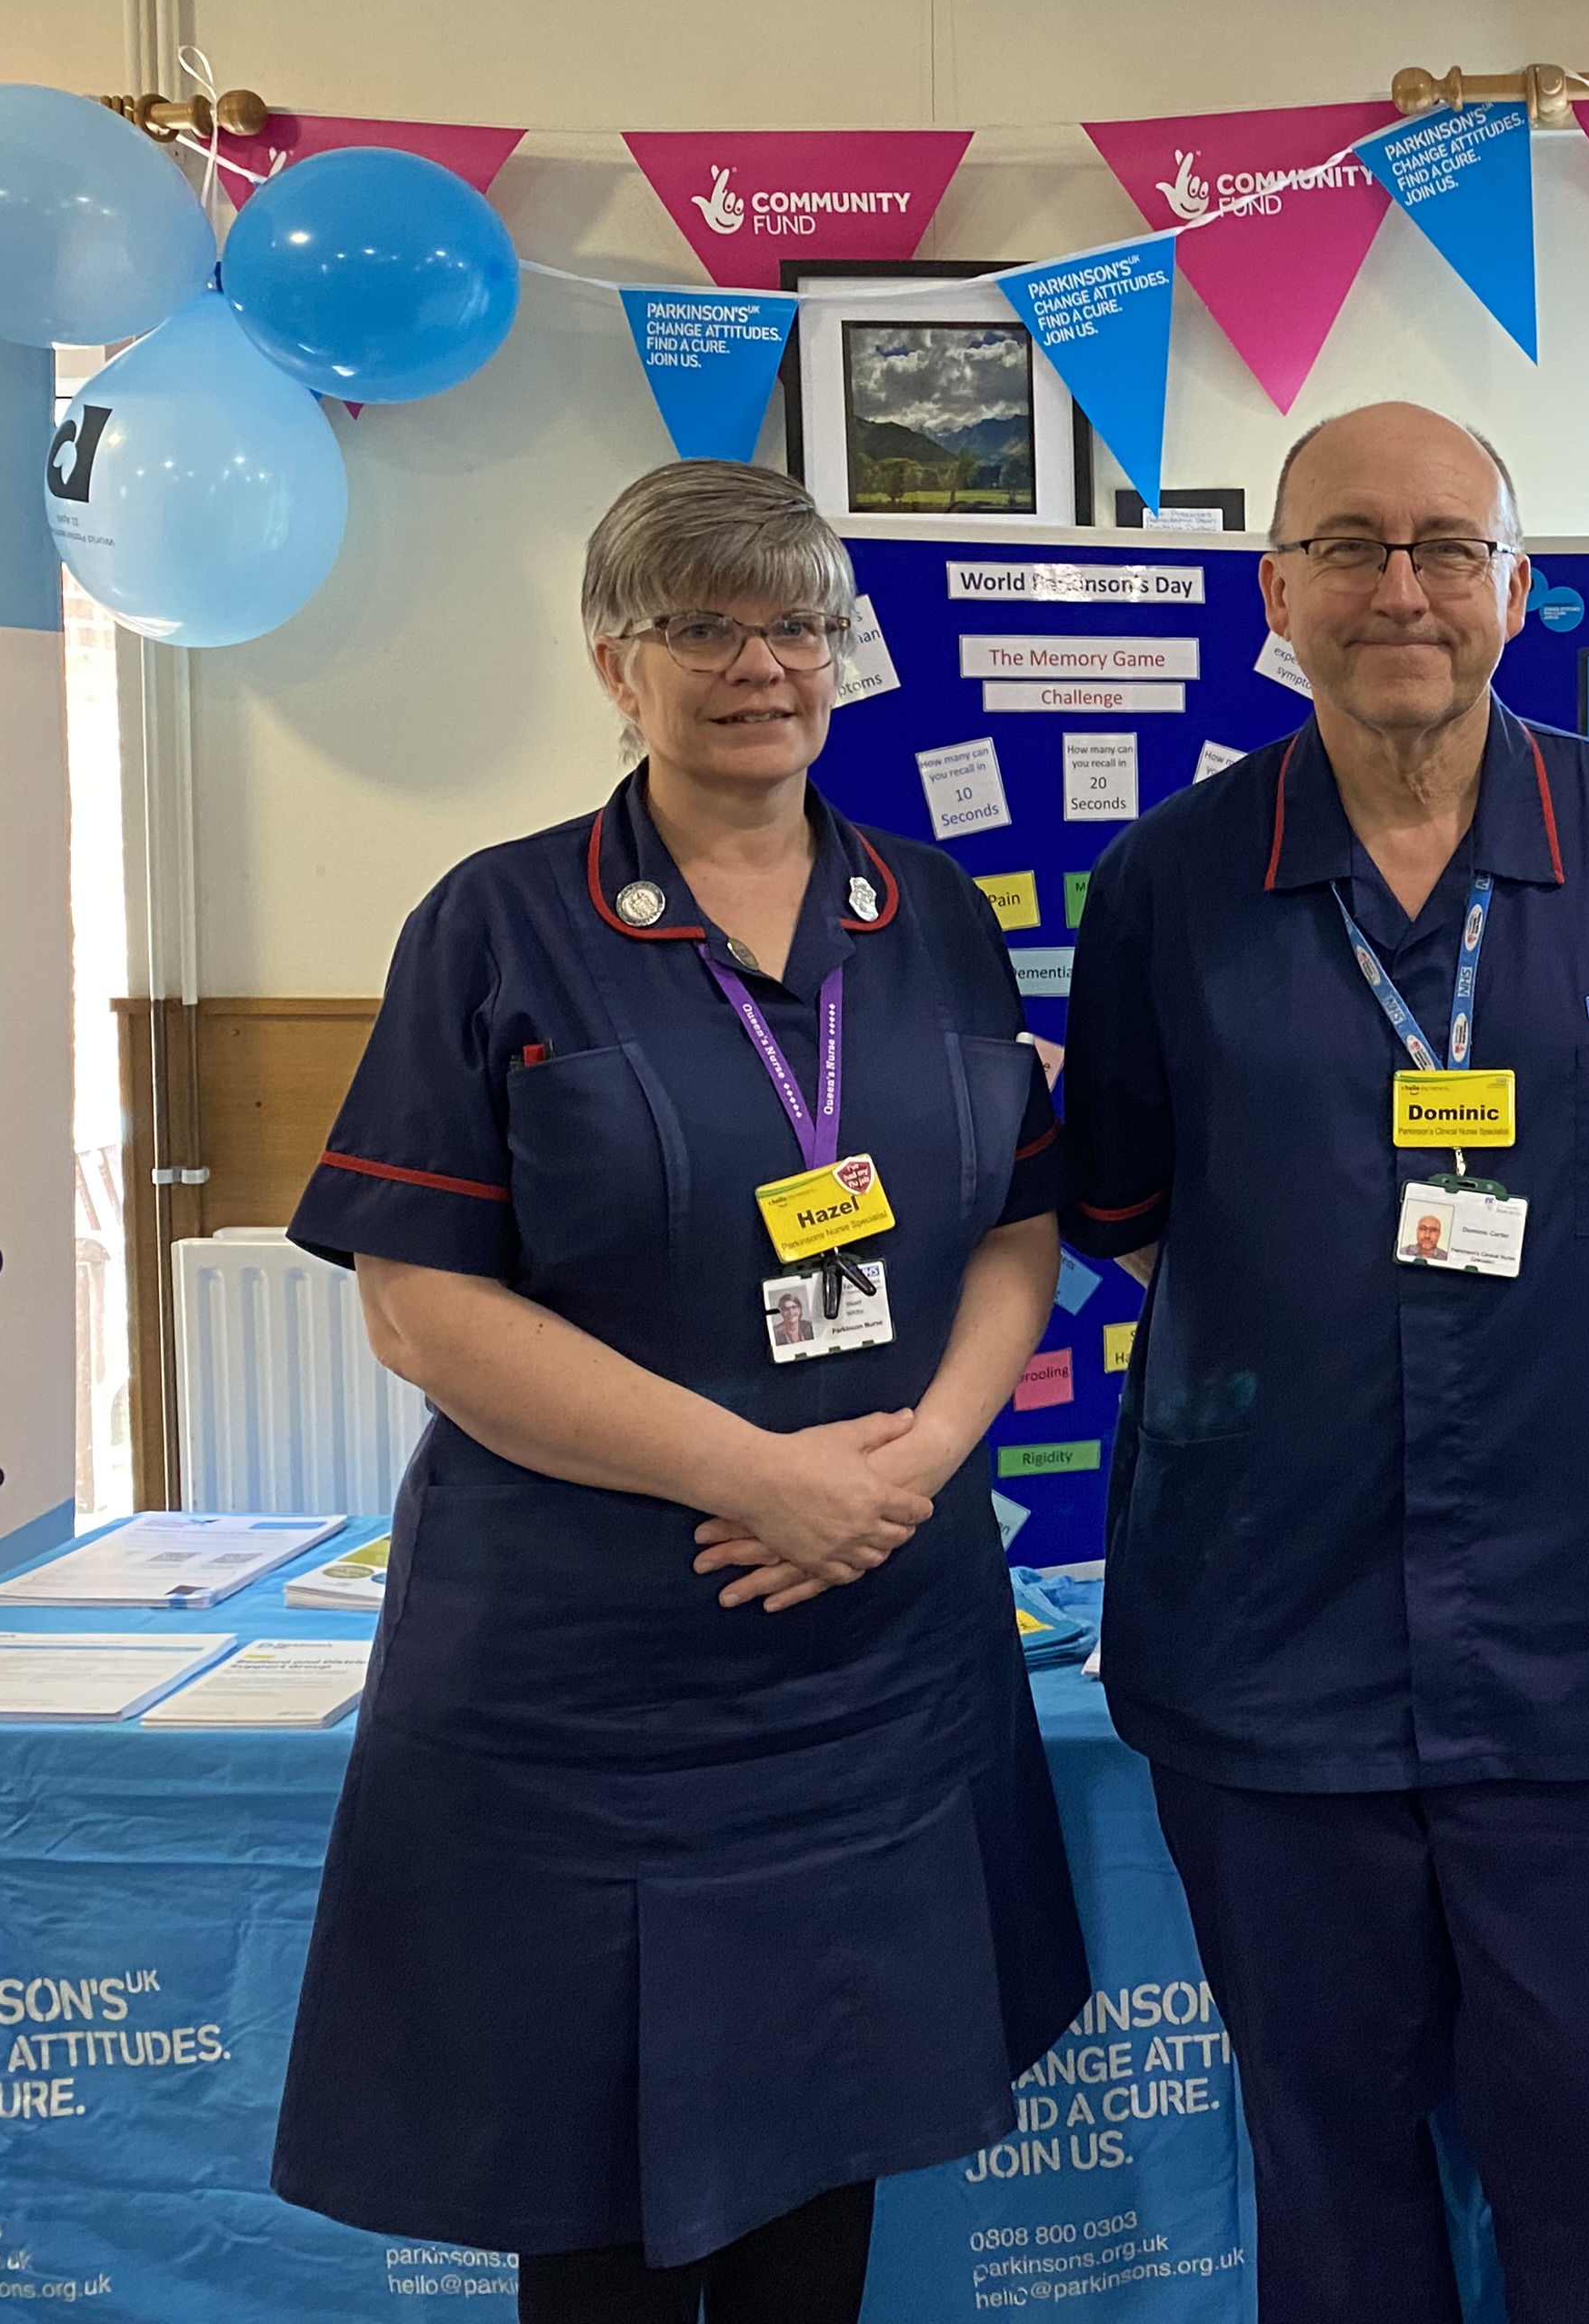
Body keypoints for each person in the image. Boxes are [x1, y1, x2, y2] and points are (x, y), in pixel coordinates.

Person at [272, 460, 1089, 2324]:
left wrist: (915, 1466)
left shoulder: (932, 912)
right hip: (595, 1676)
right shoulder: (499, 924)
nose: (759, 667)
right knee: (595, 2207)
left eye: (798, 624)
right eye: (700, 626)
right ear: (611, 662)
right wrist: (761, 1475)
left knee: (831, 2148)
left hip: (877, 1648)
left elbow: (1015, 1229)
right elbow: (422, 1306)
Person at [1059, 403, 1589, 2324]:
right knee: (1333, 2187)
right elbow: (1124, 1208)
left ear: (1517, 588)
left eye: (1449, 546)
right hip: (1269, 1647)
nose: (1403, 589)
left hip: (1579, 1650)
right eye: (1350, 546)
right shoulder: (1170, 881)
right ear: (1274, 594)